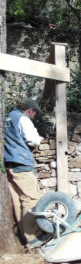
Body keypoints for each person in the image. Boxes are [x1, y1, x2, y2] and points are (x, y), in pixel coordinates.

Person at [4, 98, 45, 247]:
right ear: (30, 110)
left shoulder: (6, 117)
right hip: (21, 162)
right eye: (34, 113)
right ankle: (33, 238)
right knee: (30, 199)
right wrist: (40, 139)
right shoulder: (22, 118)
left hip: (9, 164)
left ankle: (24, 237)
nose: (34, 116)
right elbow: (33, 139)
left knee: (17, 201)